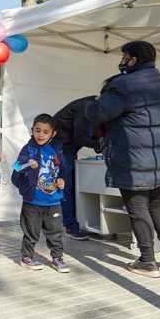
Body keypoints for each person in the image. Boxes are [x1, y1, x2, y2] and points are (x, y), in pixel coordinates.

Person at [85, 40, 160, 277]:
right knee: (159, 204)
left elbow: (98, 113)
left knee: (138, 208)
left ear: (133, 59)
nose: (123, 60)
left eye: (125, 55)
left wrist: (92, 103)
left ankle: (148, 261)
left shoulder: (123, 85)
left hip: (133, 157)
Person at [11, 114, 71, 274]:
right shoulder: (28, 149)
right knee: (31, 233)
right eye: (37, 130)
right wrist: (26, 165)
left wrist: (61, 180)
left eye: (45, 132)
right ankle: (27, 257)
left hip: (54, 201)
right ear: (32, 130)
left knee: (56, 233)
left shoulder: (56, 150)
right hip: (32, 201)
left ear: (53, 134)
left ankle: (57, 258)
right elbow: (16, 169)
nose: (41, 135)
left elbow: (64, 170)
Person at [53, 96, 103, 241]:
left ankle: (72, 223)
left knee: (72, 186)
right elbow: (80, 137)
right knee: (67, 187)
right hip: (61, 148)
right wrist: (99, 144)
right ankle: (70, 226)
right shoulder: (87, 107)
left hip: (68, 148)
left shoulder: (95, 107)